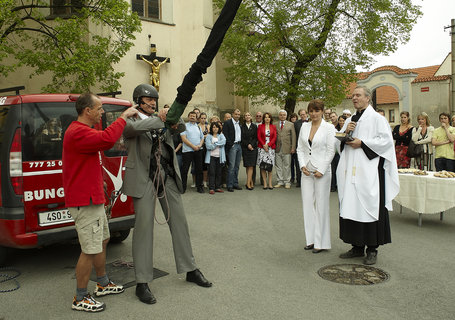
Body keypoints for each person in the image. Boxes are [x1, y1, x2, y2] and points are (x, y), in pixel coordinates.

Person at [122, 84, 212, 305]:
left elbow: (179, 126)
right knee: (144, 230)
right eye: (147, 100)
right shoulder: (130, 118)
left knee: (180, 223)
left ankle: (190, 269)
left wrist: (170, 116)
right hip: (144, 179)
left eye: (154, 100)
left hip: (167, 175)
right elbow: (132, 130)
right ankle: (142, 282)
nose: (152, 103)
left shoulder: (160, 116)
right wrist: (162, 119)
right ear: (138, 100)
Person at [63, 93, 138, 312]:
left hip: (93, 197)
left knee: (102, 240)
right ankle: (80, 297)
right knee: (89, 249)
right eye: (100, 108)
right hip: (84, 202)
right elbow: (107, 139)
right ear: (87, 111)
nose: (102, 112)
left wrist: (102, 186)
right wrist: (123, 117)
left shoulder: (85, 131)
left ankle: (103, 283)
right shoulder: (77, 132)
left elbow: (93, 159)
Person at [337, 86, 399, 265]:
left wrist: (363, 143)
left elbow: (386, 142)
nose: (354, 98)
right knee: (352, 205)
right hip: (351, 172)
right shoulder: (350, 118)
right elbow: (339, 143)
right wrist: (346, 132)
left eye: (358, 95)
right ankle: (356, 246)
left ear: (367, 98)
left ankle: (372, 249)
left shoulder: (377, 119)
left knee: (369, 206)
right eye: (353, 95)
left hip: (369, 171)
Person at [297, 99, 335, 253]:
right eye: (311, 111)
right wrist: (302, 165)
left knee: (321, 206)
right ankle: (311, 240)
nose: (313, 114)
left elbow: (331, 150)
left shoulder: (329, 128)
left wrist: (322, 169)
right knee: (307, 205)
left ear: (322, 111)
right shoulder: (304, 127)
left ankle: (321, 242)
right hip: (307, 170)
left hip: (322, 171)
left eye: (316, 111)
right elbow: (300, 148)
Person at [180, 111, 205, 193]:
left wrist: (200, 145)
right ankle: (183, 187)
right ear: (188, 117)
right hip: (187, 151)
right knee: (185, 170)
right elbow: (184, 139)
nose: (192, 117)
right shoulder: (184, 126)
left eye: (194, 116)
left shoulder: (198, 127)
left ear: (196, 118)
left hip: (198, 150)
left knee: (199, 169)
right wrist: (193, 146)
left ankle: (199, 187)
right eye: (191, 116)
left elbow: (202, 138)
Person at [275, 110, 296, 189]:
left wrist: (293, 147)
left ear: (286, 116)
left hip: (287, 148)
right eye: (281, 115)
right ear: (279, 116)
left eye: (284, 115)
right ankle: (280, 181)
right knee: (278, 166)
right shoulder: (275, 124)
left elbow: (293, 137)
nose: (282, 116)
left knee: (287, 166)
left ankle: (287, 182)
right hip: (277, 148)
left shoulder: (290, 125)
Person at [223, 109, 243, 192]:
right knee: (231, 166)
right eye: (236, 114)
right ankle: (230, 184)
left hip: (239, 146)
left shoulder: (239, 124)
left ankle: (235, 183)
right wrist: (231, 144)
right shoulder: (228, 123)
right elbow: (225, 134)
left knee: (237, 166)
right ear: (232, 114)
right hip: (233, 146)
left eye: (239, 114)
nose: (237, 116)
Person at [205, 121, 226, 194]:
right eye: (213, 127)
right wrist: (216, 145)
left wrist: (214, 143)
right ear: (211, 128)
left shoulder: (221, 135)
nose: (215, 128)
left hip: (219, 157)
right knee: (212, 172)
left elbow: (224, 142)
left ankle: (217, 187)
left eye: (216, 127)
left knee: (219, 172)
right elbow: (208, 146)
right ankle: (211, 188)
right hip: (211, 157)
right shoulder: (209, 136)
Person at [257, 112, 277, 189]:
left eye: (268, 117)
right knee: (263, 166)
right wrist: (264, 145)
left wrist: (268, 145)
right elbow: (259, 137)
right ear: (263, 119)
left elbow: (274, 137)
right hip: (262, 149)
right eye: (265, 117)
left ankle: (270, 183)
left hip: (270, 149)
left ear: (270, 118)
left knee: (269, 167)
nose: (267, 118)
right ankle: (265, 183)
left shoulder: (273, 127)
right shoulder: (260, 126)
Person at [241, 112, 258, 190]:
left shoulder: (254, 126)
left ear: (251, 117)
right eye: (246, 115)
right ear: (244, 118)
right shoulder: (242, 127)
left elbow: (255, 137)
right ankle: (250, 181)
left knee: (251, 165)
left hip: (253, 148)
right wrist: (247, 144)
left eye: (249, 115)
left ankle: (248, 183)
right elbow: (242, 138)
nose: (247, 116)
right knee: (247, 165)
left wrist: (251, 144)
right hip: (245, 148)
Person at [293, 109, 308, 188]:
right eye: (301, 115)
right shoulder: (296, 124)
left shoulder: (310, 122)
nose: (303, 116)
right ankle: (299, 181)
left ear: (306, 114)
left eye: (304, 114)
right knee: (298, 164)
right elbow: (294, 136)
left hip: (308, 146)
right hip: (299, 146)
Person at [198, 112, 209, 187]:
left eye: (204, 118)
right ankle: (199, 181)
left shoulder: (207, 126)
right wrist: (205, 136)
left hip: (206, 147)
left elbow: (209, 135)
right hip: (198, 146)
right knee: (199, 165)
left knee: (205, 165)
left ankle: (205, 181)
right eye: (202, 118)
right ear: (199, 119)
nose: (203, 119)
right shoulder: (196, 126)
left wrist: (204, 136)